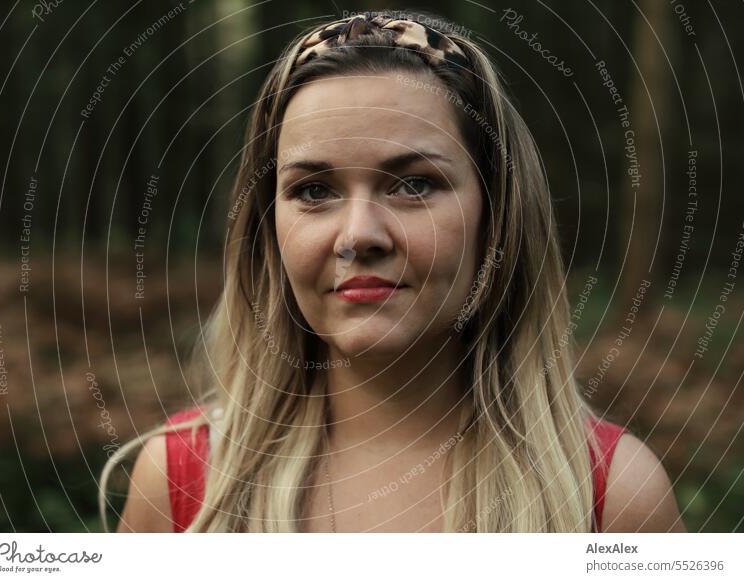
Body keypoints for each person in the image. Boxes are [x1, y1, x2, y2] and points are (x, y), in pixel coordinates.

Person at [99, 9, 685, 533]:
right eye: (314, 190)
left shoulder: (612, 500)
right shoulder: (183, 485)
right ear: (267, 228)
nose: (359, 237)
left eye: (414, 184)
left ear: (497, 214)